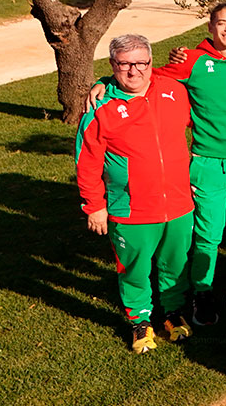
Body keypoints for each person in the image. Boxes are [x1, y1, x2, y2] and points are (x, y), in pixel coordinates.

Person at [76, 34, 195, 352]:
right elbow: (86, 161)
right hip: (131, 209)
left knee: (175, 263)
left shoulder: (174, 90)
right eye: (125, 64)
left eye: (141, 62)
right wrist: (94, 206)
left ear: (151, 63)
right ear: (112, 65)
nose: (134, 70)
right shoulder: (99, 106)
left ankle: (172, 312)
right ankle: (139, 320)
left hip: (179, 203)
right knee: (135, 269)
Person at [151, 1, 226, 325]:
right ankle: (202, 292)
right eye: (222, 23)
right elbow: (147, 77)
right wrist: (106, 80)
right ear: (210, 27)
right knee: (209, 233)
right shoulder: (191, 60)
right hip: (208, 162)